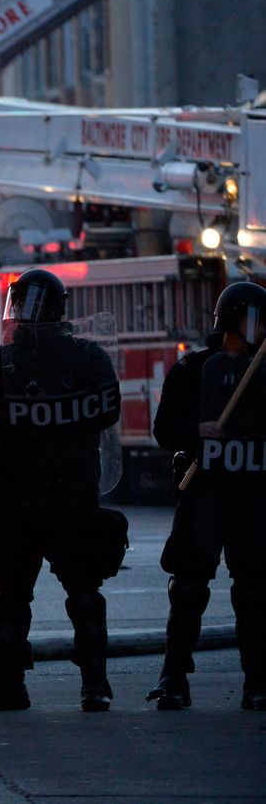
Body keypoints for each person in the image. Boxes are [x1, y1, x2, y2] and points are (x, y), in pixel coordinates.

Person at [0, 269, 126, 713]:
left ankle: (85, 685)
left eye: (32, 305)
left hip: (54, 499)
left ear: (54, 310)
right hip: (33, 499)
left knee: (71, 595)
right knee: (27, 599)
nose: (23, 315)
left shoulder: (6, 364)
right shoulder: (11, 364)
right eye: (19, 303)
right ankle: (75, 686)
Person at [149, 281, 266, 711]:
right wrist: (198, 430)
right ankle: (174, 678)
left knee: (255, 591)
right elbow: (163, 430)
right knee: (188, 589)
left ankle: (258, 682)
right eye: (254, 320)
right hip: (204, 496)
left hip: (253, 496)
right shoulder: (193, 370)